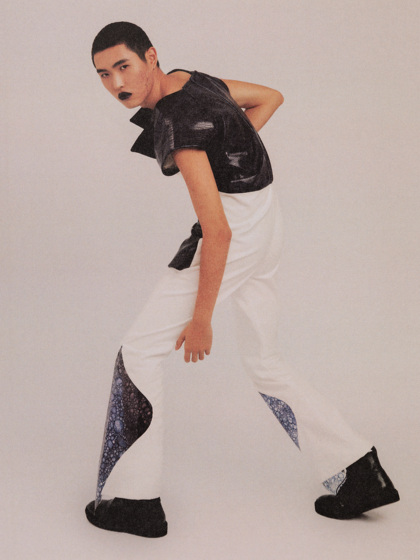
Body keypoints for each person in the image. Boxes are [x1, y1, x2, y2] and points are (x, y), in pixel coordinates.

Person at [85, 21, 399, 538]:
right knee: (264, 361)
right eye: (103, 74)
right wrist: (231, 153)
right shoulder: (194, 81)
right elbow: (271, 97)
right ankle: (359, 473)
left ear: (150, 57)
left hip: (234, 236)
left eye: (124, 66)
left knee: (137, 354)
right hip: (267, 221)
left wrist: (202, 319)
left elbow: (218, 231)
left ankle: (135, 501)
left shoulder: (177, 121)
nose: (116, 82)